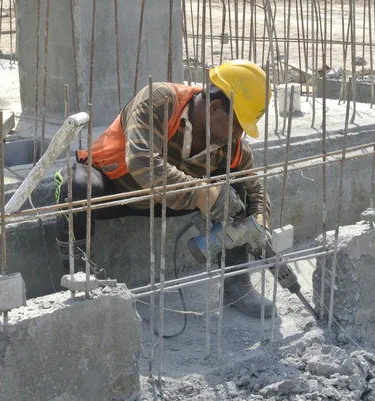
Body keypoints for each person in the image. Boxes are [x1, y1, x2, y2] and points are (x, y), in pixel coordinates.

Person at [54, 59, 273, 318]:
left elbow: (255, 188)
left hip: (171, 202)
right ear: (215, 107)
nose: (238, 136)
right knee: (75, 186)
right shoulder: (160, 101)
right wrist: (202, 192)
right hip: (119, 190)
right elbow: (140, 161)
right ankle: (78, 284)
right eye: (237, 126)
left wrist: (259, 220)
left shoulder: (231, 147)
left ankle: (237, 284)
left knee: (238, 186)